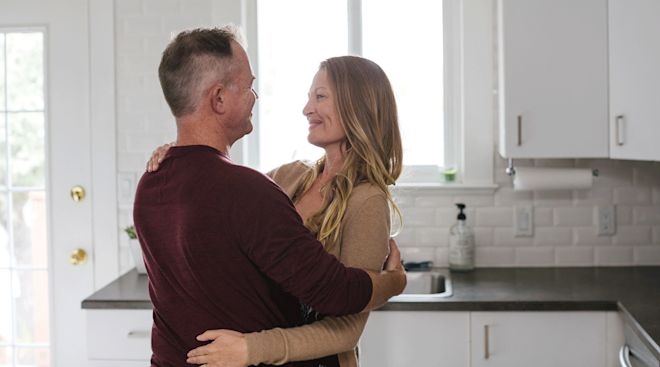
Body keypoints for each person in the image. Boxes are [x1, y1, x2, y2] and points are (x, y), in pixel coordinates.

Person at [133, 26, 406, 367]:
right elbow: (215, 198)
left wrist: (251, 349)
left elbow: (346, 328)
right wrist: (392, 283)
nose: (306, 109)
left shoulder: (367, 201)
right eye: (248, 87)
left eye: (320, 97)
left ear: (358, 106)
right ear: (218, 99)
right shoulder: (286, 177)